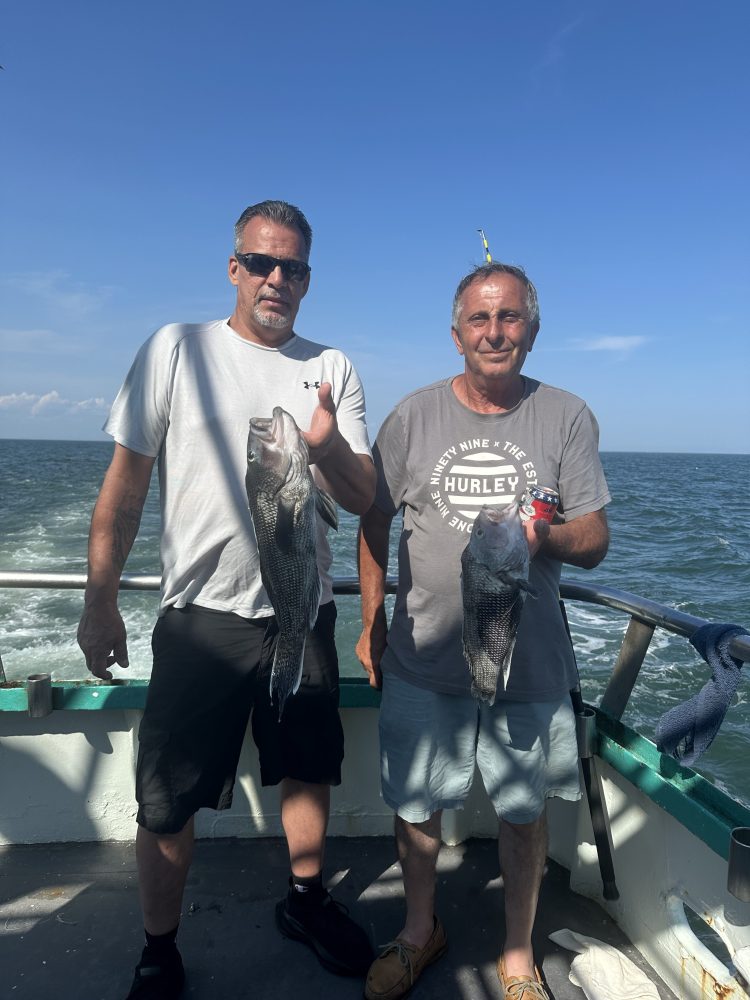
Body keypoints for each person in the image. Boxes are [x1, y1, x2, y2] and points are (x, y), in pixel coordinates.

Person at [77, 200, 377, 999]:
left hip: (301, 608)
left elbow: (361, 495)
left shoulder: (333, 366)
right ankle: (158, 949)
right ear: (235, 267)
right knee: (169, 796)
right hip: (200, 617)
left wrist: (327, 446)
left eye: (295, 268)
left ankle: (306, 902)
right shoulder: (175, 349)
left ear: (309, 279)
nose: (278, 279)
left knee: (307, 769)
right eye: (263, 262)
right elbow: (125, 488)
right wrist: (99, 599)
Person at [356, 262, 610, 1000]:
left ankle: (519, 955)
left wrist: (544, 541)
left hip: (526, 666)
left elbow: (594, 534)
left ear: (531, 329)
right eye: (479, 319)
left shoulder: (566, 415)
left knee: (523, 814)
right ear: (457, 332)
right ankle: (417, 931)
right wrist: (371, 619)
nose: (494, 332)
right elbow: (373, 518)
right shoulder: (414, 415)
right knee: (416, 804)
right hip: (423, 657)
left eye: (509, 318)